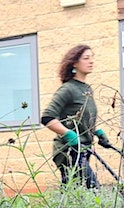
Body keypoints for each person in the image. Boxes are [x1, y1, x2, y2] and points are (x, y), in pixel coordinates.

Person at [41, 44, 114, 188]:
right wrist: (68, 134)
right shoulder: (68, 89)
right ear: (74, 63)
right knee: (92, 189)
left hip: (83, 149)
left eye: (92, 57)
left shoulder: (86, 89)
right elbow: (47, 117)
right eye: (86, 58)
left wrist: (96, 131)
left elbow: (81, 118)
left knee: (74, 192)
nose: (91, 61)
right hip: (69, 150)